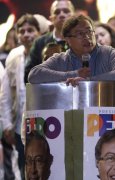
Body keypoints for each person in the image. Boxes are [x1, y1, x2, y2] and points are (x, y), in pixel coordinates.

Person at [28, 14, 115, 86]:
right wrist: (74, 74)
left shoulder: (108, 53)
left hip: (102, 112)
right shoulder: (61, 59)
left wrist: (89, 81)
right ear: (68, 39)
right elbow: (34, 75)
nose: (87, 37)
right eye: (80, 34)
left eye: (89, 31)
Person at [0, 13, 41, 180]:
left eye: (30, 30)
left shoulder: (47, 51)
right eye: (22, 31)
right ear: (17, 35)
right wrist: (7, 124)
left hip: (46, 123)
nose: (26, 34)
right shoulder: (14, 56)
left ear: (39, 32)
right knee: (25, 169)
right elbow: (5, 94)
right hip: (19, 125)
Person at [24, 0, 75, 83]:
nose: (62, 14)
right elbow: (28, 75)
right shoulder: (39, 43)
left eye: (66, 11)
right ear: (51, 18)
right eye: (57, 12)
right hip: (47, 93)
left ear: (73, 16)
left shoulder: (81, 41)